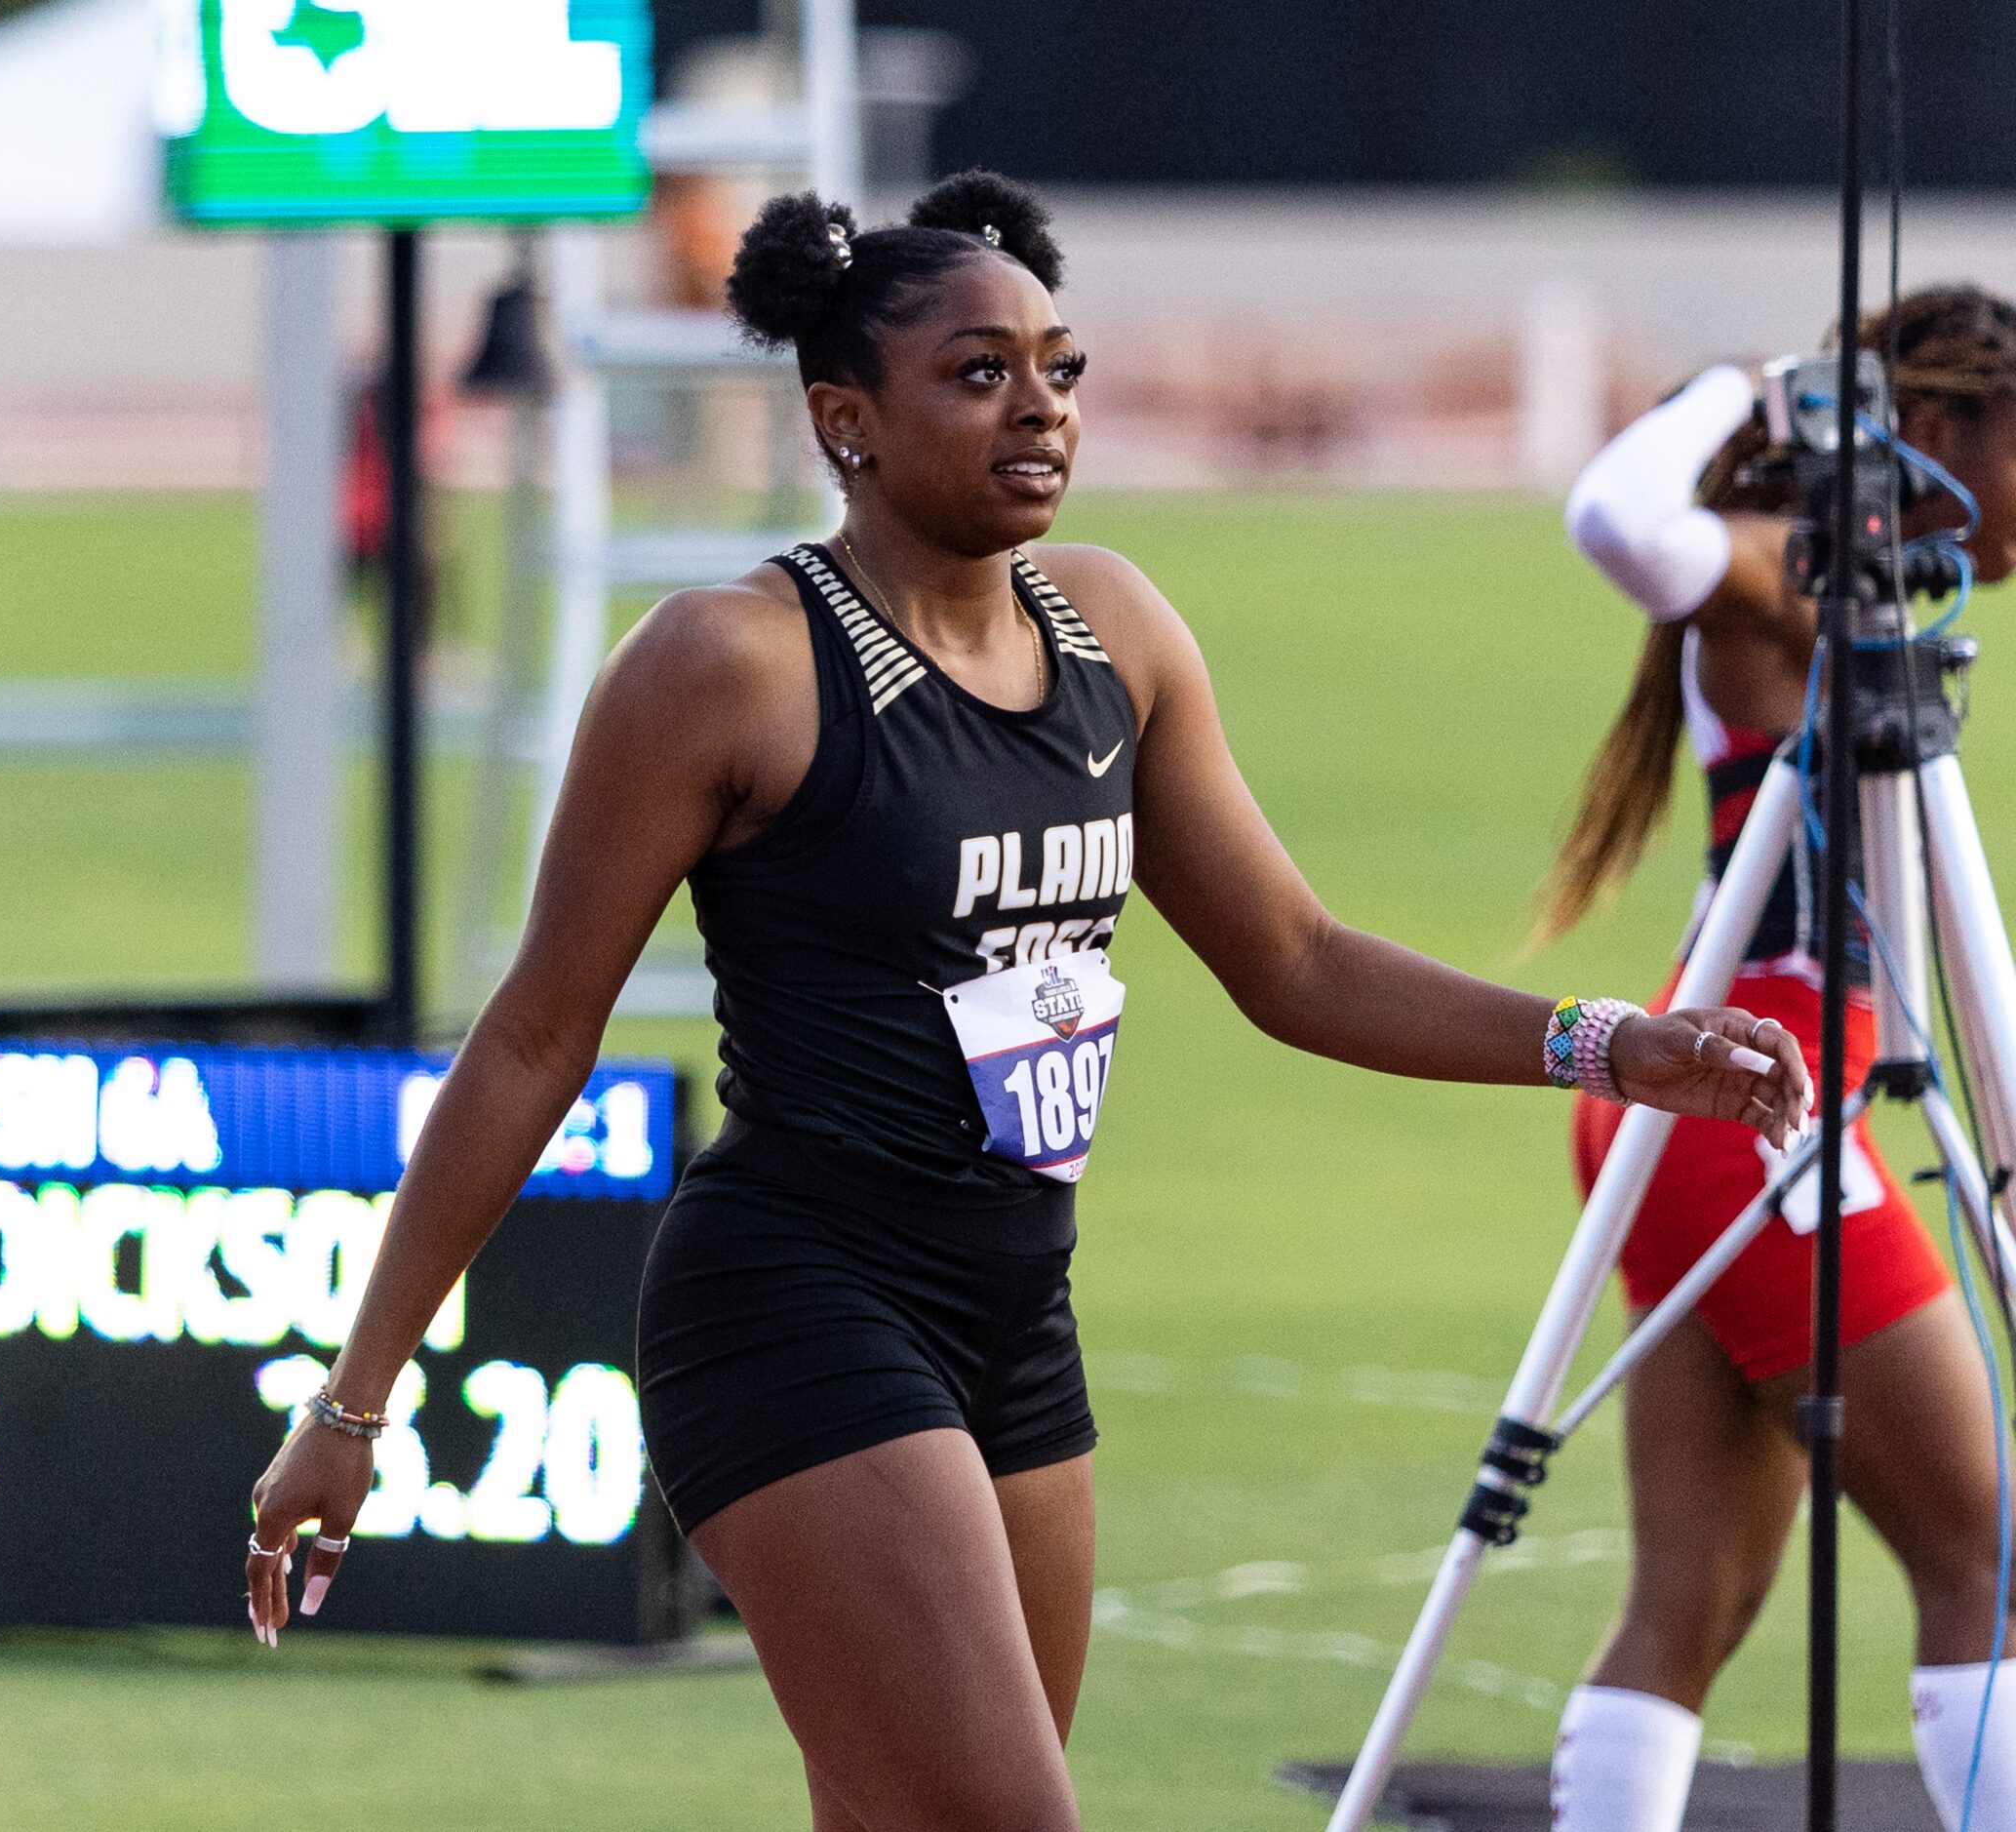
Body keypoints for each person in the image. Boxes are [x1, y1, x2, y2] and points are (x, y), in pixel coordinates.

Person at [246, 171, 1808, 1832]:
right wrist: (356, 1398)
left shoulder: (1114, 632)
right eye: (980, 373)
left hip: (1015, 1323)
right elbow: (535, 1036)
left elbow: (1294, 960)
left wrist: (1608, 1041)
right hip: (795, 1310)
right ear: (846, 420)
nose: (1041, 410)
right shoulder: (732, 664)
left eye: (1061, 368)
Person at [1543, 286, 2016, 1832]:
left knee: (1690, 1597)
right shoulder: (1783, 575)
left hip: (1707, 1104)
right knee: (1988, 1556)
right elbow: (1616, 520)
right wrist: (1741, 389)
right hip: (1764, 1104)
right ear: (1930, 437)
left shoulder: (1858, 593)